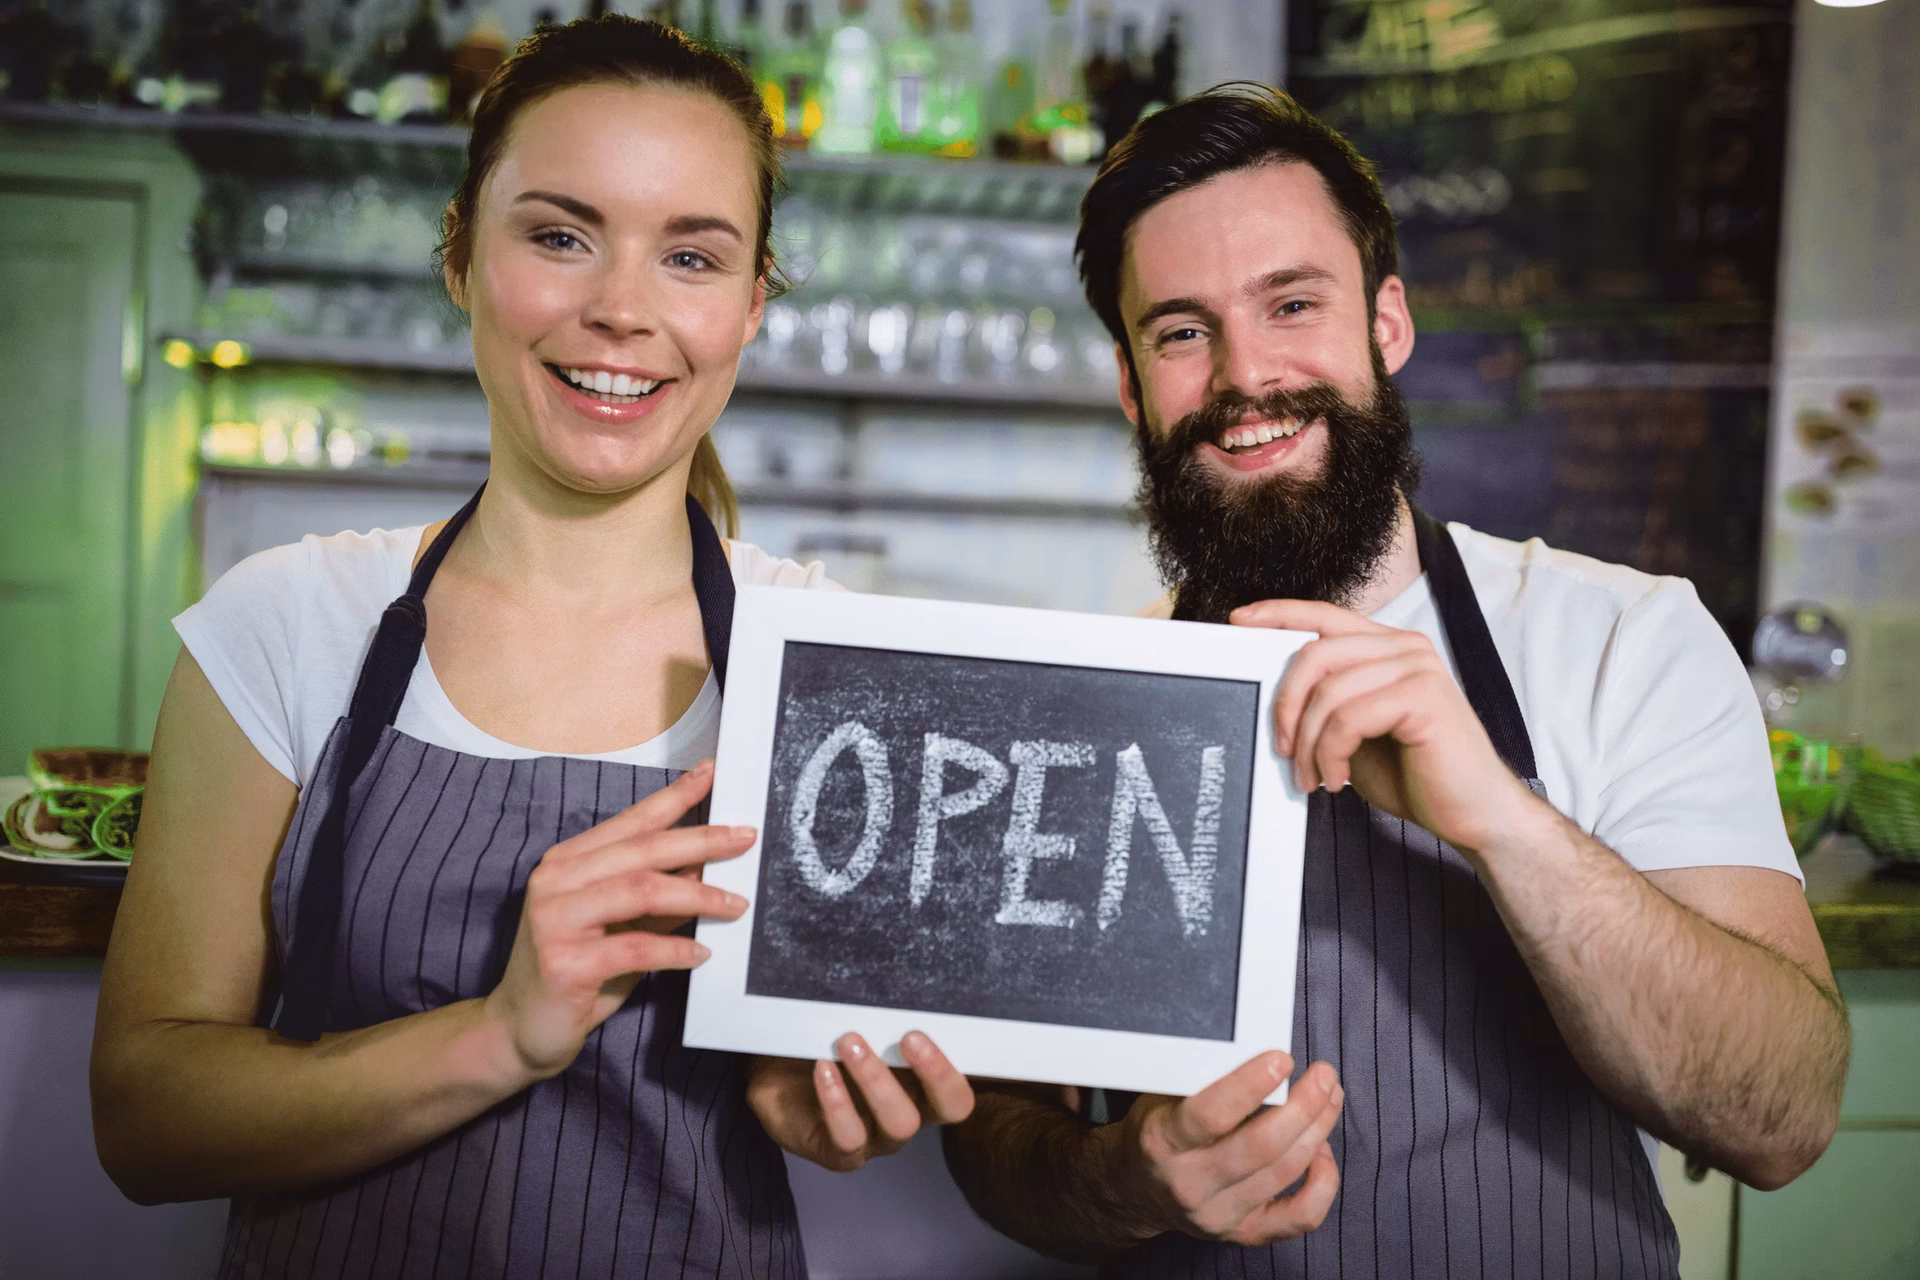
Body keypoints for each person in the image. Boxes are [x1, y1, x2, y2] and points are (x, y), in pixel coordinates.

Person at [89, 18, 971, 1279]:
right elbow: (144, 1116)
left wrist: (825, 1096)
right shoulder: (284, 620)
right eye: (559, 235)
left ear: (753, 303)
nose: (620, 309)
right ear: (459, 253)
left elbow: (857, 1059)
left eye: (692, 256)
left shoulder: (840, 662)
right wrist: (500, 1031)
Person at [941, 84, 1848, 1277]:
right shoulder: (1091, 707)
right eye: (1180, 330)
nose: (1244, 375)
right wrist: (1124, 1178)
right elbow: (998, 1139)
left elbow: (1780, 1116)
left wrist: (1501, 820)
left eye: (1294, 303)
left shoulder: (1623, 639)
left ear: (1388, 324)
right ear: (1130, 384)